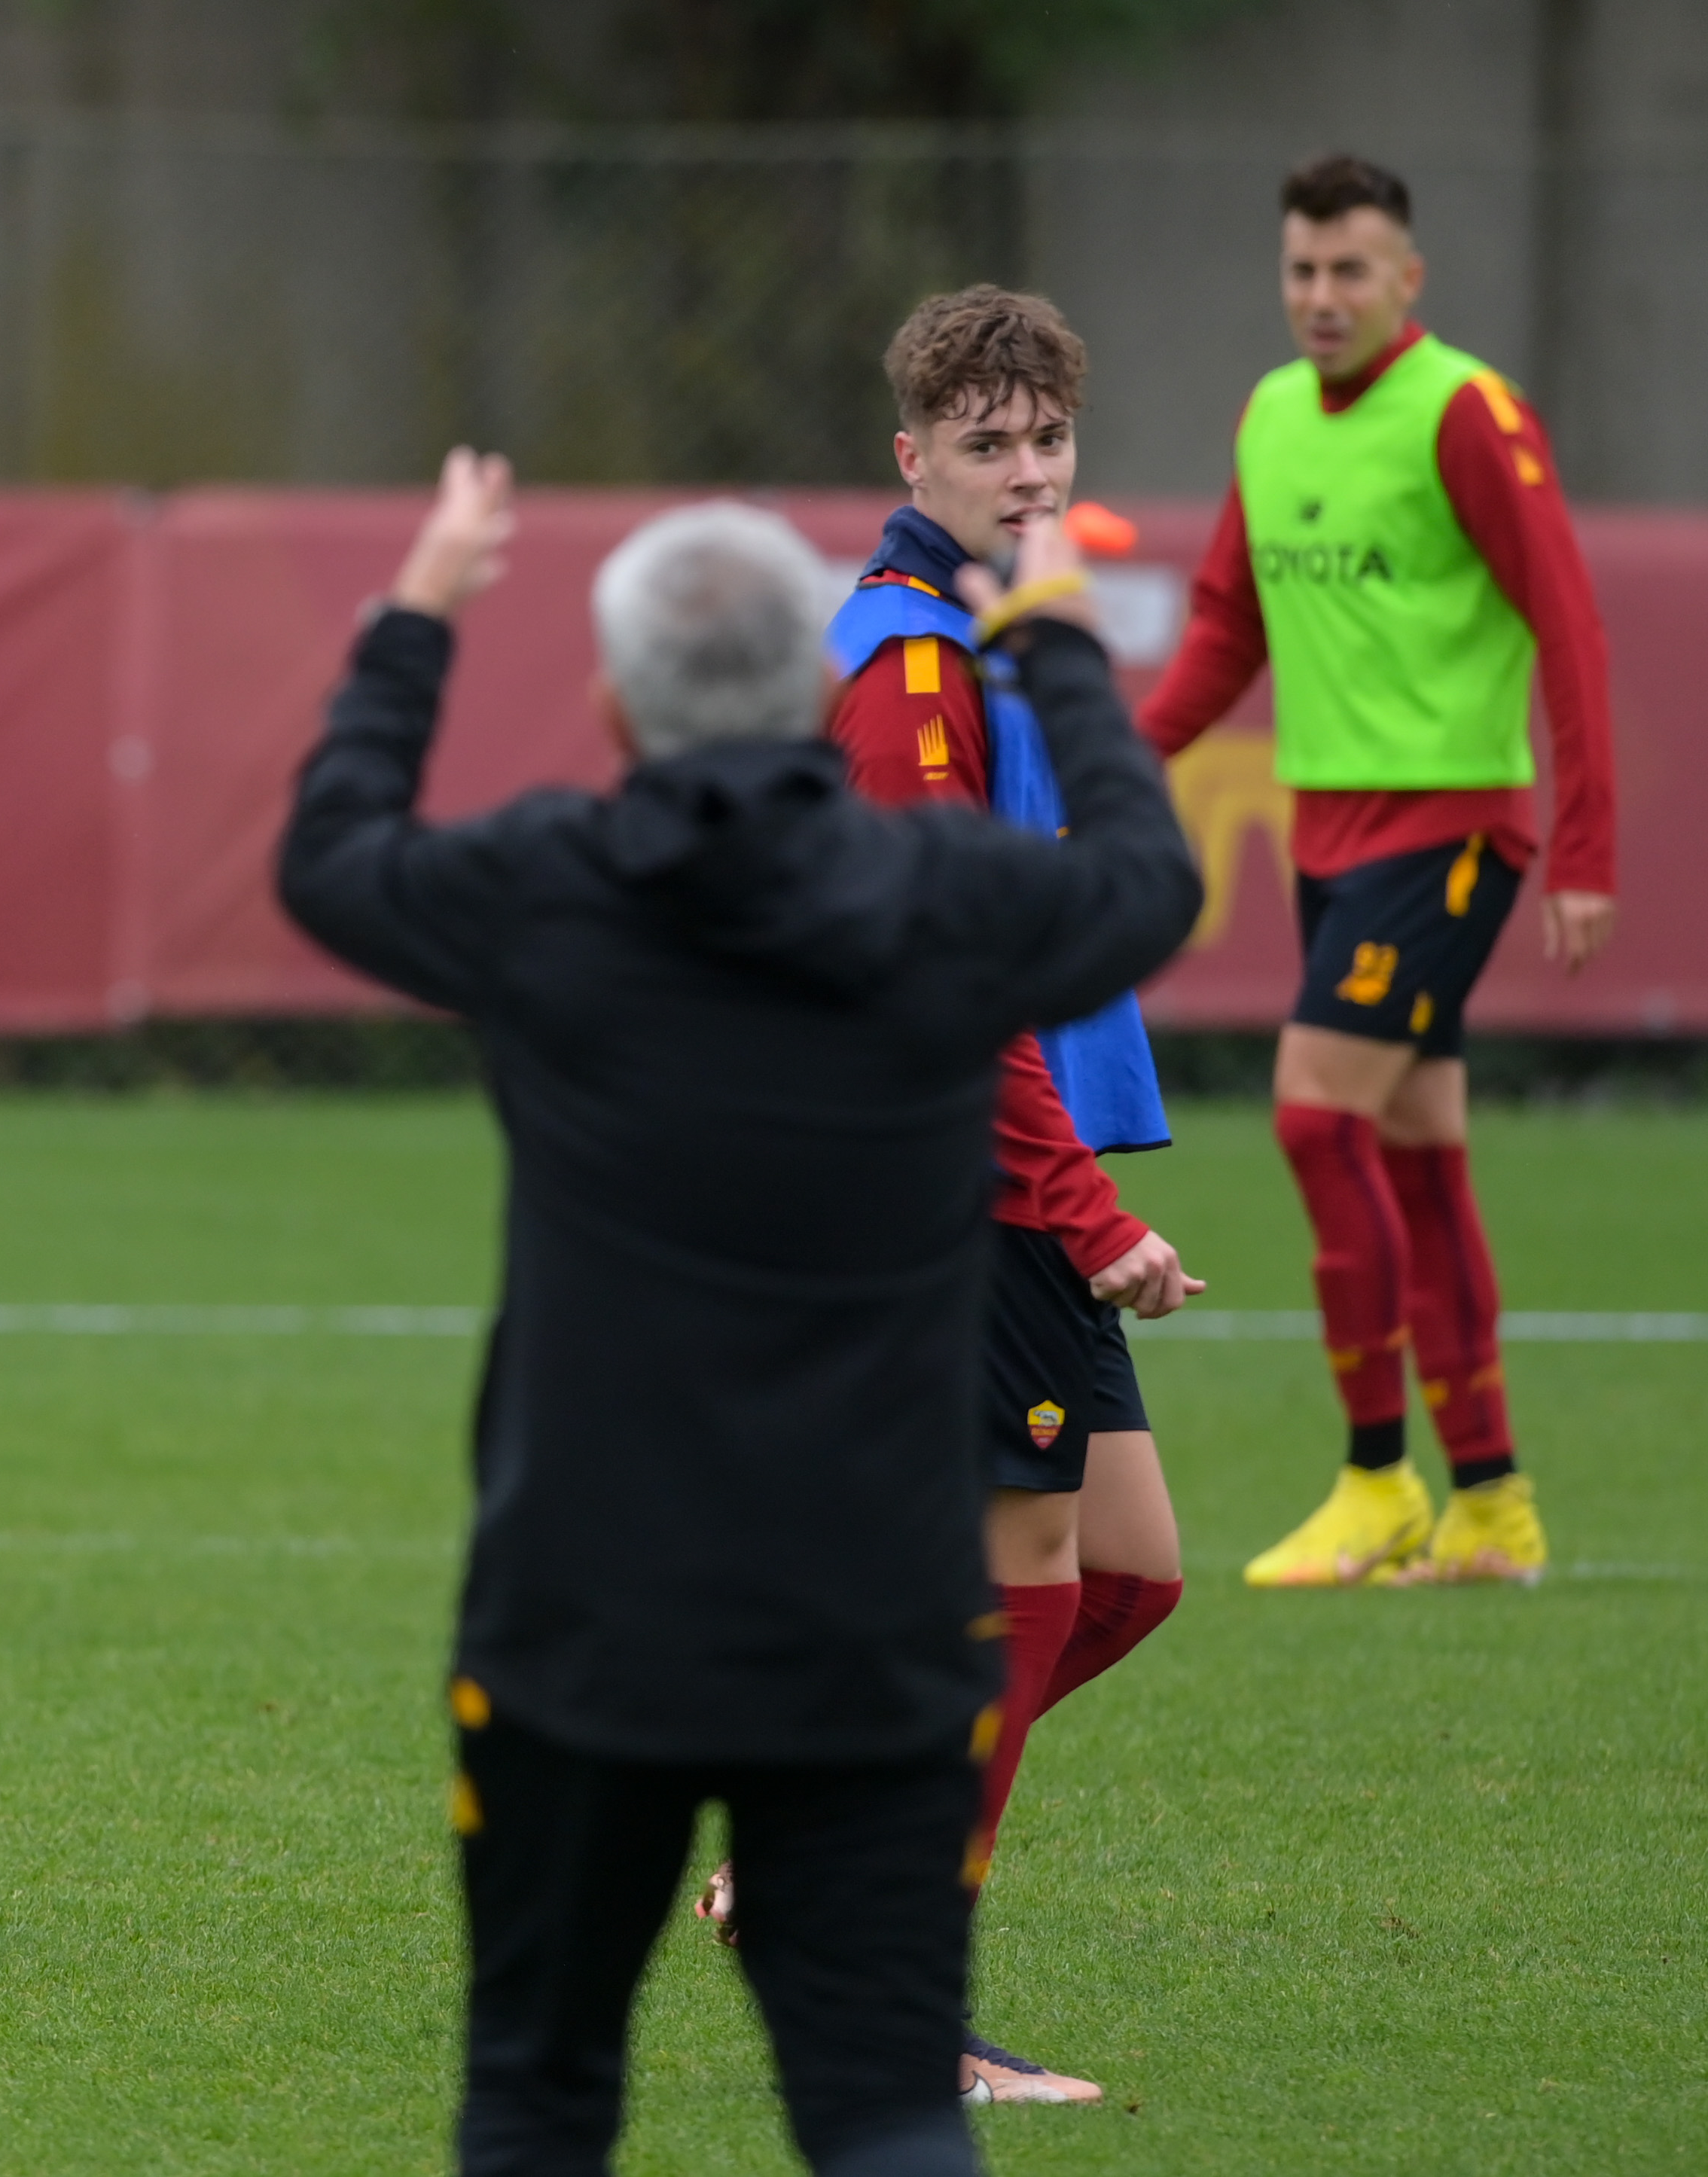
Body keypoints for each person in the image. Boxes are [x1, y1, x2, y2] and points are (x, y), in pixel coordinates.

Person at [279, 459, 1200, 2177]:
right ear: (809, 691)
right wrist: (1057, 638)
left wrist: (416, 613)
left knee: (539, 2095)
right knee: (875, 2107)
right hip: (872, 1623)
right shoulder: (945, 902)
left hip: (580, 1616)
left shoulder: (551, 885)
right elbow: (1148, 884)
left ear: (614, 705)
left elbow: (329, 856)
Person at [807, 284, 1200, 2105]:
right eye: (984, 444)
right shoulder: (907, 661)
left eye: (1044, 438)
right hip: (965, 1183)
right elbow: (946, 971)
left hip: (1016, 1174)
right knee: (1030, 1582)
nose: (1024, 470)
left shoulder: (1005, 626)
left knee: (1125, 1577)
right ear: (912, 459)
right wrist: (1084, 1209)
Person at [1142, 154, 1615, 1589]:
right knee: (1419, 1156)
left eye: (1351, 270)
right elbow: (1228, 625)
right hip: (1329, 838)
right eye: (1301, 269)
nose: (1322, 297)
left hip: (1454, 829)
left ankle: (1373, 1478)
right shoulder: (1274, 416)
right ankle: (1490, 1505)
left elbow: (1571, 626)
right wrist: (1115, 766)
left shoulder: (1465, 412)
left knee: (1307, 1112)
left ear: (1408, 279)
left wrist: (1583, 849)